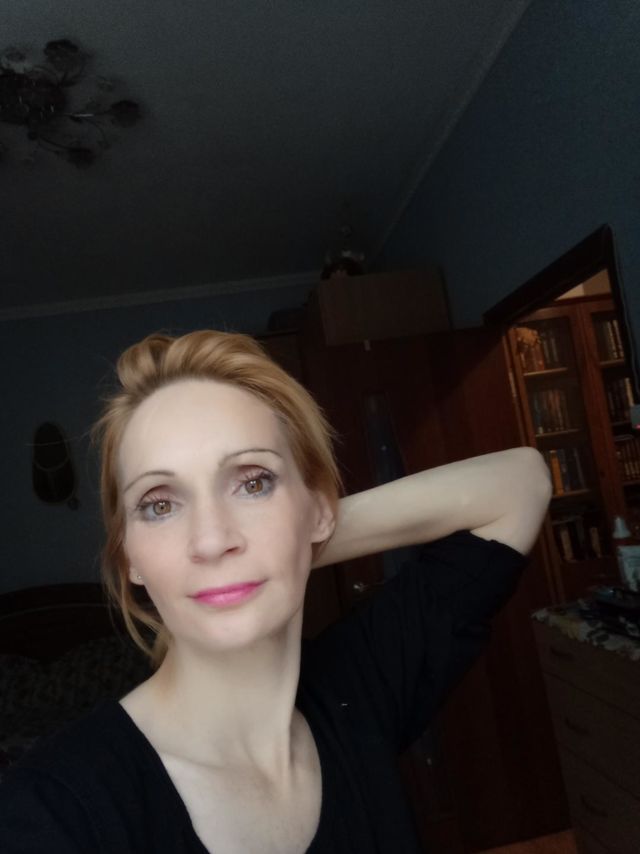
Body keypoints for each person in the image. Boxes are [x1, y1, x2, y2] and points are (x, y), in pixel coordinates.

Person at [0, 329, 552, 853]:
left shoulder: (359, 691)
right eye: (160, 504)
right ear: (130, 558)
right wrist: (280, 539)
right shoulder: (52, 812)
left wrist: (297, 538)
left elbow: (521, 484)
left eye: (253, 482)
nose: (211, 540)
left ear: (319, 509)